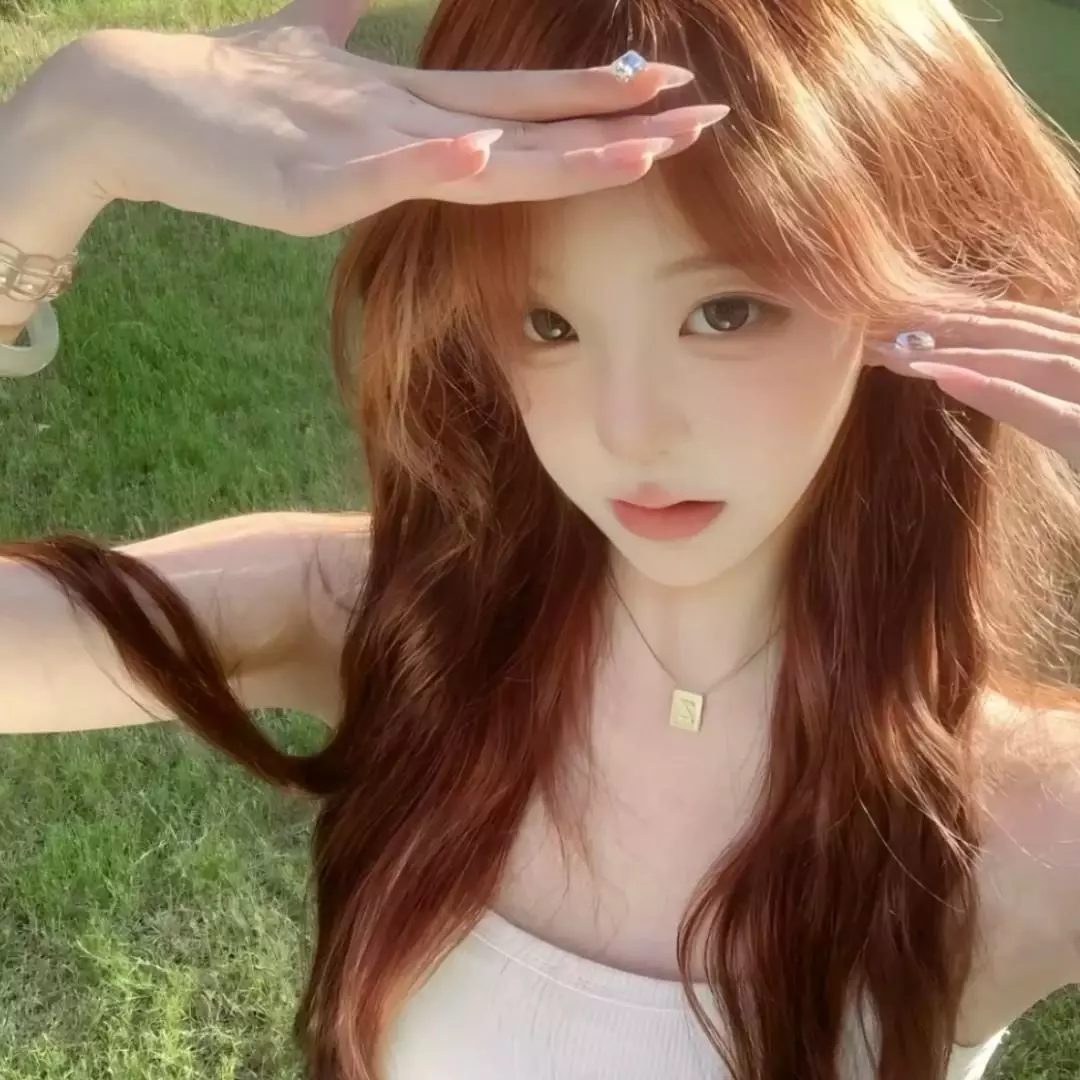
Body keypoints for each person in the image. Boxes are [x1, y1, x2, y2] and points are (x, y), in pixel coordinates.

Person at [3, 0, 1080, 1077]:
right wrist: (66, 134)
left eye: (727, 312)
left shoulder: (1012, 818)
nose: (628, 430)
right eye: (548, 323)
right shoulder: (397, 623)